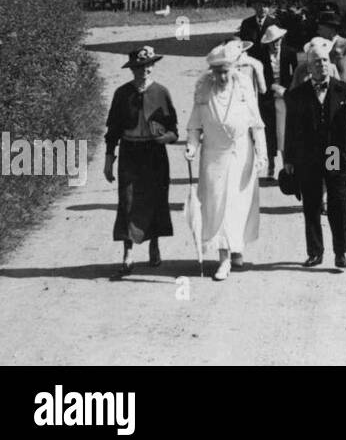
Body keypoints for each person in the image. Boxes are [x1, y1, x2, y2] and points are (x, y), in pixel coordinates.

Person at [185, 41, 266, 281]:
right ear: (212, 72)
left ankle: (236, 248)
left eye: (226, 71)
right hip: (214, 156)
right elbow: (193, 126)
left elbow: (257, 125)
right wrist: (191, 145)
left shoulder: (243, 88)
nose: (222, 76)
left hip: (241, 153)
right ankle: (223, 259)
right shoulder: (203, 91)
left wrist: (261, 154)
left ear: (233, 69)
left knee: (239, 203)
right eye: (218, 72)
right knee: (218, 204)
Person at [283, 39, 346, 269]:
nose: (322, 65)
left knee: (338, 201)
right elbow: (290, 128)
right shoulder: (297, 95)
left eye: (325, 61)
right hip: (308, 155)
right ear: (309, 67)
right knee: (312, 204)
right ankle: (315, 252)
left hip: (333, 152)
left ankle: (340, 252)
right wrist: (288, 158)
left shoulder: (342, 89)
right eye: (317, 62)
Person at [103, 46, 178, 275]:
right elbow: (113, 131)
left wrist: (163, 138)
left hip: (154, 154)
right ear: (131, 69)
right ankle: (128, 252)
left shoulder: (162, 93)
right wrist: (109, 161)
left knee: (156, 199)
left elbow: (174, 132)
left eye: (147, 66)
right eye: (138, 67)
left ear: (153, 66)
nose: (143, 71)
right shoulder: (122, 94)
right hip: (130, 153)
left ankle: (154, 246)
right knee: (127, 201)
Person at [257, 23, 295, 179]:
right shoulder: (261, 55)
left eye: (278, 40)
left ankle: (287, 164)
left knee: (285, 131)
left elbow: (295, 75)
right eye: (273, 41)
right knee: (270, 131)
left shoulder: (289, 52)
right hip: (268, 97)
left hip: (286, 97)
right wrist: (272, 87)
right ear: (268, 43)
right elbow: (260, 77)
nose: (276, 44)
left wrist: (287, 90)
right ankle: (271, 166)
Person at [291, 9, 346, 90]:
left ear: (331, 29)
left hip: (343, 93)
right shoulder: (316, 46)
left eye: (320, 29)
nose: (318, 32)